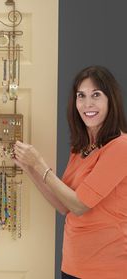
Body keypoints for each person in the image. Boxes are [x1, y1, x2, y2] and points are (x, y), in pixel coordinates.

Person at [13, 65, 127, 279]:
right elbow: (65, 205)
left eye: (96, 95)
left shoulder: (121, 147)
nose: (87, 104)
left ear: (111, 100)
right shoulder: (81, 148)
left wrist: (39, 164)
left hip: (107, 269)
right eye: (80, 96)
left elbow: (79, 205)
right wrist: (29, 169)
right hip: (74, 265)